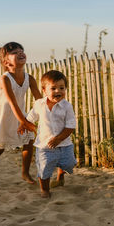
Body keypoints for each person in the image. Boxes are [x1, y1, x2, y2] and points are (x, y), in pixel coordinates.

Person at [0, 42, 42, 186]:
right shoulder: (5, 78)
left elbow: (39, 100)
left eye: (21, 51)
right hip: (4, 117)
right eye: (15, 53)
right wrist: (23, 121)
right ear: (5, 62)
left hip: (20, 114)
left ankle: (25, 173)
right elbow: (12, 103)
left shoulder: (30, 78)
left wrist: (48, 113)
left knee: (29, 141)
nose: (20, 53)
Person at [18, 70, 76, 198]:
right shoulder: (39, 104)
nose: (58, 91)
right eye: (53, 88)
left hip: (65, 145)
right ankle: (45, 189)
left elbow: (71, 126)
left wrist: (58, 139)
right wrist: (24, 124)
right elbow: (31, 117)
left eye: (62, 88)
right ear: (44, 90)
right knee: (44, 169)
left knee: (69, 164)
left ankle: (61, 174)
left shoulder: (67, 106)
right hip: (44, 146)